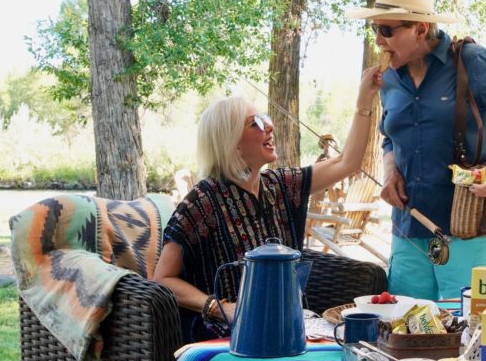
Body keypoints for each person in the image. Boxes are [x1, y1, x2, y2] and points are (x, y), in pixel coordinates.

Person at [347, 0, 486, 301]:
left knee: (466, 333)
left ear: (421, 28)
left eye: (387, 30)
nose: (379, 41)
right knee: (408, 330)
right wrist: (390, 172)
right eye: (374, 30)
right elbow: (389, 137)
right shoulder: (389, 80)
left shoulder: (471, 61)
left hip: (465, 227)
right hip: (408, 229)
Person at [153, 67, 382, 345]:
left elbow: (348, 162)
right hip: (228, 334)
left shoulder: (280, 185)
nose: (269, 126)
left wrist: (365, 99)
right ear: (232, 142)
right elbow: (163, 278)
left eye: (266, 119)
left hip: (287, 324)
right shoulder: (203, 200)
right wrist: (219, 308)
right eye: (255, 123)